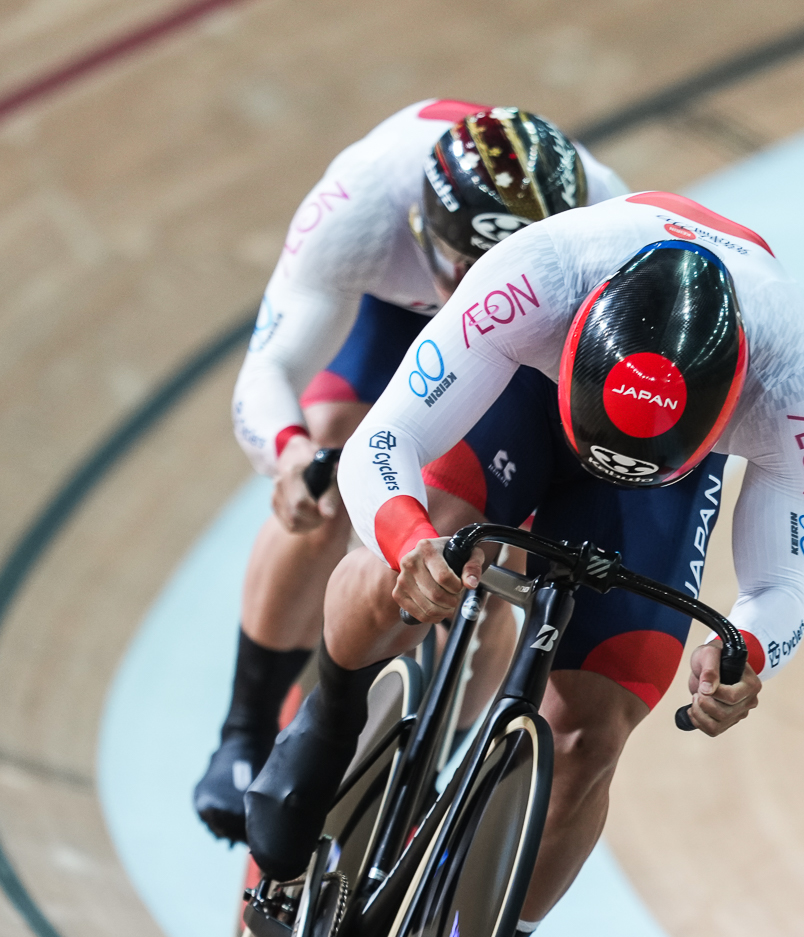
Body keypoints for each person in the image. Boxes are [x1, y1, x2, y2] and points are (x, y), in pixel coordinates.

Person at [245, 191, 804, 937]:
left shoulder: (799, 388)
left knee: (593, 731)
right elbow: (384, 440)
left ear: (730, 406)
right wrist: (408, 542)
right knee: (421, 541)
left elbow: (780, 585)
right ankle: (332, 715)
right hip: (533, 387)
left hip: (670, 462)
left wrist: (744, 653)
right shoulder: (532, 282)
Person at [195, 101, 627, 842]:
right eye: (462, 267)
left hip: (536, 333)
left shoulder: (606, 231)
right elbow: (268, 369)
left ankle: (431, 763)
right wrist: (292, 454)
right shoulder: (367, 200)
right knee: (331, 453)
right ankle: (244, 728)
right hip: (400, 313)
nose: (475, 287)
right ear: (423, 230)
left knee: (496, 546)